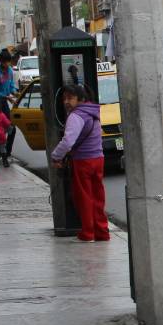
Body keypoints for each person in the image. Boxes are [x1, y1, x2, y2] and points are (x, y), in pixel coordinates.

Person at [50, 85, 108, 242]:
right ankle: (102, 232)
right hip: (98, 158)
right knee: (98, 197)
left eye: (70, 98)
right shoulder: (93, 112)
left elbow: (68, 141)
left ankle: (88, 233)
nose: (66, 102)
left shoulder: (76, 116)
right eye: (64, 98)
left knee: (84, 197)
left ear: (80, 99)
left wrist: (55, 156)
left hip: (83, 161)